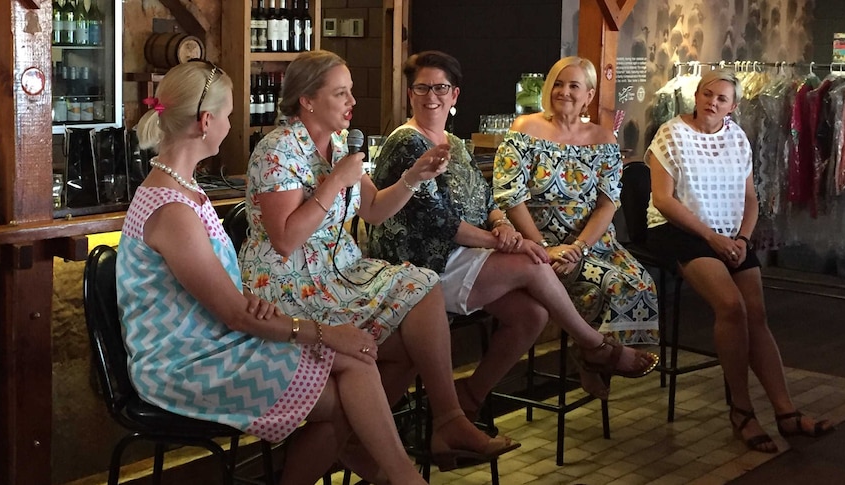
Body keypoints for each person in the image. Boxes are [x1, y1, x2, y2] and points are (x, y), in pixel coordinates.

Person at [116, 61, 429, 485]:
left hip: (217, 342)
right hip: (184, 365)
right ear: (206, 121)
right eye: (228, 114)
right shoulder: (172, 207)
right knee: (346, 391)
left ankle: (398, 476)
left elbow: (226, 300)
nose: (231, 123)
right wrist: (323, 332)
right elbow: (234, 315)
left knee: (355, 365)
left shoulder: (183, 189)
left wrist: (265, 310)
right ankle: (400, 476)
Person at [237, 50, 519, 480]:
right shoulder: (276, 150)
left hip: (339, 275)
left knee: (420, 289)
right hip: (289, 286)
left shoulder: (336, 144)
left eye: (350, 92)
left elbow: (371, 209)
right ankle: (374, 452)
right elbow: (285, 237)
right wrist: (334, 182)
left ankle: (439, 422)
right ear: (308, 100)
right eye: (341, 93)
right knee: (386, 350)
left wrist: (413, 178)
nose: (352, 102)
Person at [367, 50, 659, 407]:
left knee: (532, 315)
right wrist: (512, 242)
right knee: (532, 263)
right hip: (422, 265)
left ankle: (471, 396)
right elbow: (440, 223)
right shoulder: (406, 141)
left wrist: (501, 223)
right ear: (410, 93)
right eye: (422, 88)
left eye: (441, 88)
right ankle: (597, 347)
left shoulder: (454, 143)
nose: (432, 96)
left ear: (455, 95)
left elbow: (487, 198)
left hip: (461, 255)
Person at [646, 68, 834, 453]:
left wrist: (743, 239)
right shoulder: (671, 133)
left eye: (721, 98)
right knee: (731, 307)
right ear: (696, 95)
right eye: (707, 94)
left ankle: (785, 411)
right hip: (680, 229)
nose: (712, 102)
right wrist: (711, 237)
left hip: (730, 233)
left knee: (756, 313)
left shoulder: (737, 138)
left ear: (734, 106)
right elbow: (664, 201)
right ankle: (741, 410)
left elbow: (751, 198)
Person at [494, 56, 660, 349]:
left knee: (642, 285)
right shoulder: (524, 129)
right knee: (611, 287)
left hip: (592, 243)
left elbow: (608, 203)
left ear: (589, 95)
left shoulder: (603, 138)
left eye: (574, 85)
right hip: (538, 242)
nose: (564, 92)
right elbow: (510, 197)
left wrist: (579, 247)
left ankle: (600, 365)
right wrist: (547, 249)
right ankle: (594, 358)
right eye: (558, 84)